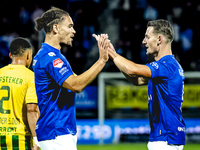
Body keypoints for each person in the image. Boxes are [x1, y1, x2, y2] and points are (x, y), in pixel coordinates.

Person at [32, 7, 109, 150]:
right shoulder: (50, 58)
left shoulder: (54, 56)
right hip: (56, 132)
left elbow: (77, 80)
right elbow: (76, 85)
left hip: (56, 132)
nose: (73, 31)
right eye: (70, 26)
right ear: (55, 28)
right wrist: (101, 61)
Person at [105, 19, 186, 150]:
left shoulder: (167, 66)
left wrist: (113, 54)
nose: (144, 41)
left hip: (166, 138)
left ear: (159, 39)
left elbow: (132, 69)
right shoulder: (168, 66)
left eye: (147, 37)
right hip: (165, 137)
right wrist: (114, 56)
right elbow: (136, 80)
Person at [0, 37, 40, 150]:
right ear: (28, 54)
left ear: (10, 55)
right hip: (20, 140)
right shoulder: (30, 77)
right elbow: (32, 111)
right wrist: (36, 141)